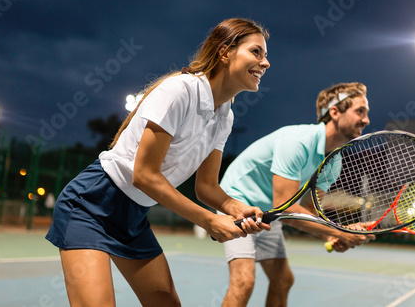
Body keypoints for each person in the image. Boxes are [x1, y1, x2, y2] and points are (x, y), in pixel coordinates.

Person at [45, 18, 272, 307]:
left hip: (132, 216)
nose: (265, 63)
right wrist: (209, 220)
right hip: (90, 205)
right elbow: (144, 176)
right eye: (256, 52)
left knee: (166, 303)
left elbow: (207, 187)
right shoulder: (180, 91)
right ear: (225, 52)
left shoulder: (225, 115)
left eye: (265, 55)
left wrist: (234, 207)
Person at [219, 82, 376, 307]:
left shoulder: (334, 161)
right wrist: (340, 231)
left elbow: (310, 212)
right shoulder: (298, 142)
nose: (366, 120)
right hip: (237, 198)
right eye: (360, 111)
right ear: (334, 112)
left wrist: (331, 235)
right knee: (244, 281)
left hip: (267, 211)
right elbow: (287, 208)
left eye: (366, 113)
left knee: (283, 280)